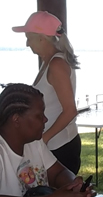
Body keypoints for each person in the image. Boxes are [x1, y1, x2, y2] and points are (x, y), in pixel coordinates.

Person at [12, 11, 82, 174]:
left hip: (60, 147)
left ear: (41, 38)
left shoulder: (56, 64)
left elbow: (70, 110)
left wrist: (43, 139)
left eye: (29, 38)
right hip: (54, 145)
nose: (27, 44)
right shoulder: (50, 62)